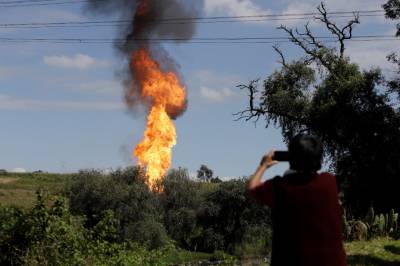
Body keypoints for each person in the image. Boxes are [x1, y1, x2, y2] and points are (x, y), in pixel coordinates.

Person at [247, 134, 347, 266]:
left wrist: (263, 165)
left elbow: (252, 188)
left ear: (290, 157)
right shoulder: (330, 182)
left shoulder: (280, 187)